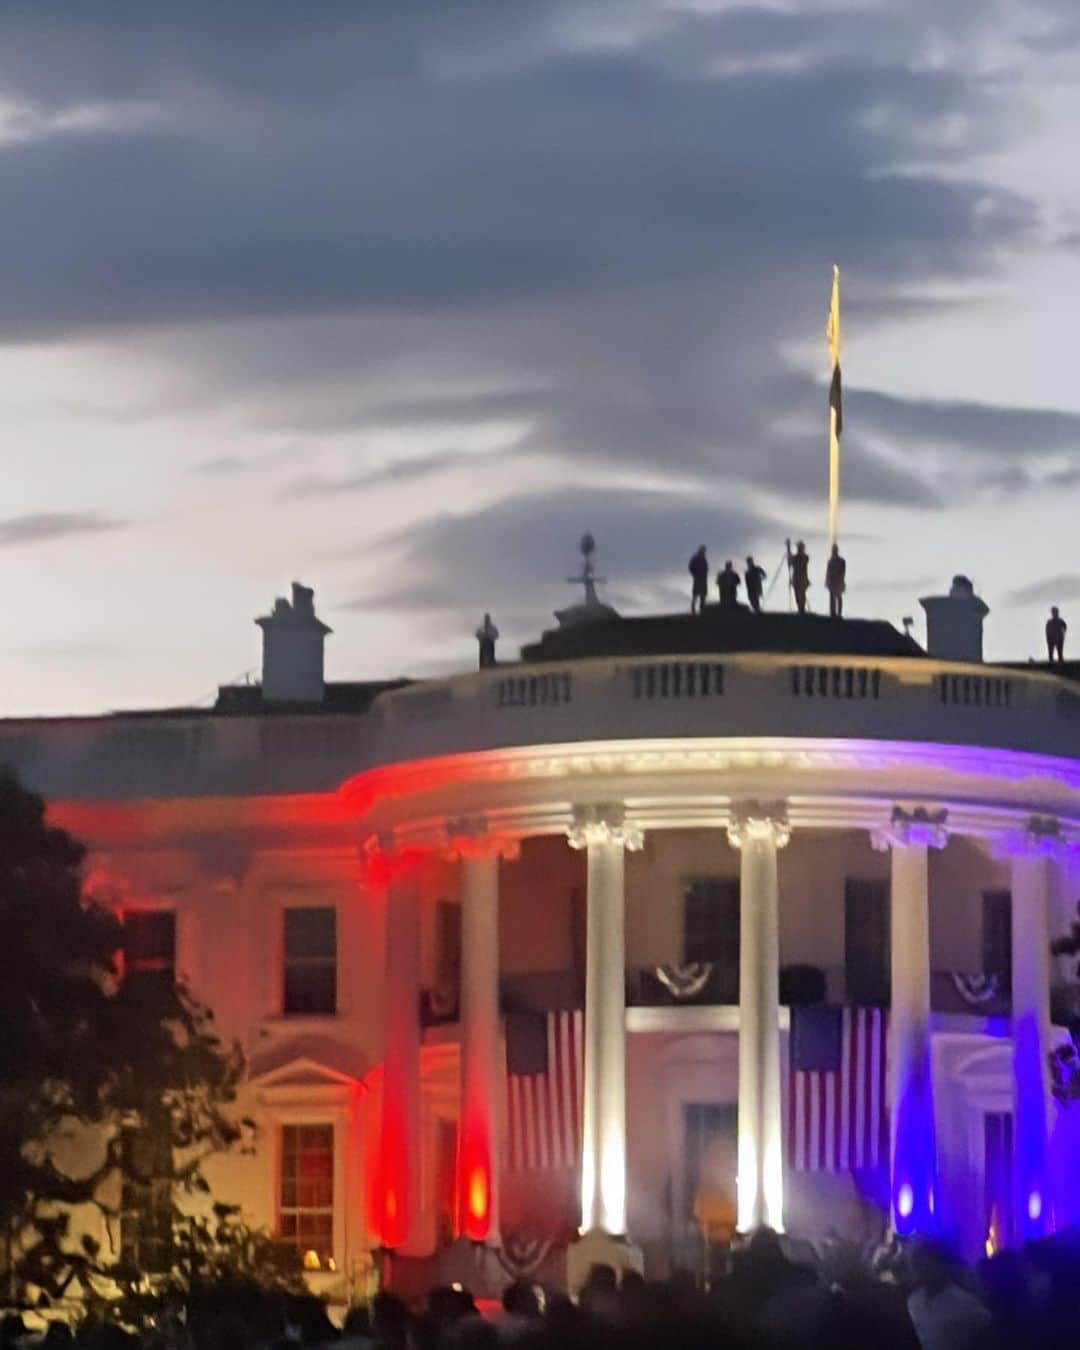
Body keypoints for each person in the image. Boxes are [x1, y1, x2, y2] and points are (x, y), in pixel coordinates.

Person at [825, 543, 847, 618]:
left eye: (834, 550)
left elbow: (843, 571)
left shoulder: (841, 561)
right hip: (832, 581)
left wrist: (841, 580)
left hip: (838, 581)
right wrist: (827, 581)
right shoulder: (830, 560)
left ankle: (839, 613)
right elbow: (828, 572)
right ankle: (833, 613)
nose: (833, 551)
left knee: (838, 597)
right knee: (832, 597)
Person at [790, 540, 810, 615]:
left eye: (800, 547)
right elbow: (791, 562)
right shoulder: (795, 557)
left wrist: (794, 563)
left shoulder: (805, 557)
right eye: (798, 547)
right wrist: (788, 549)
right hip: (796, 579)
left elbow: (799, 564)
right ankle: (800, 609)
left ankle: (802, 609)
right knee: (797, 595)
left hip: (802, 579)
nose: (799, 548)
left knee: (801, 594)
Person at [689, 546, 709, 614]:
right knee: (695, 595)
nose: (704, 552)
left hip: (703, 579)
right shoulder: (695, 558)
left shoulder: (704, 559)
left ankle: (702, 610)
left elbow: (706, 568)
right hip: (698, 579)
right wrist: (695, 574)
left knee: (703, 596)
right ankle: (693, 610)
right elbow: (691, 567)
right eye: (703, 550)